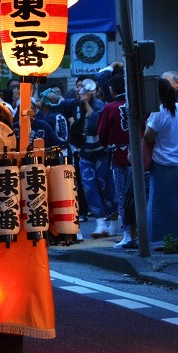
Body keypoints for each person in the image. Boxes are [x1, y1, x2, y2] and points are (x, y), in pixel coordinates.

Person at [60, 78, 116, 238]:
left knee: (106, 187)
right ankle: (100, 223)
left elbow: (97, 122)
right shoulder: (73, 104)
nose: (80, 90)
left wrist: (86, 104)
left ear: (94, 91)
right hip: (85, 152)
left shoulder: (99, 105)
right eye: (77, 87)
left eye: (83, 87)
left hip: (101, 152)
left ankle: (113, 221)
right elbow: (57, 103)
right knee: (89, 187)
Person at [144, 78, 178, 243]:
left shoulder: (158, 112)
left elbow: (148, 135)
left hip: (162, 162)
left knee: (161, 205)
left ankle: (164, 239)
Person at [97, 74, 137, 249]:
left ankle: (129, 234)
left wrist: (111, 145)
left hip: (120, 156)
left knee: (122, 195)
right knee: (142, 195)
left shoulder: (110, 108)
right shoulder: (136, 104)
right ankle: (142, 232)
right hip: (140, 154)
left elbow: (102, 135)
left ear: (112, 90)